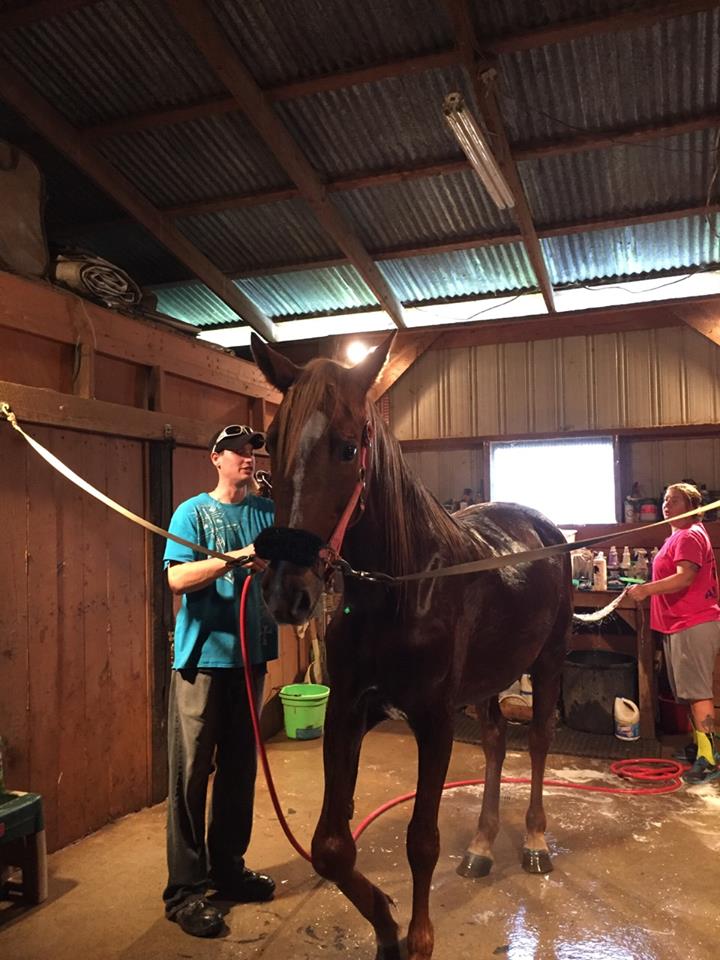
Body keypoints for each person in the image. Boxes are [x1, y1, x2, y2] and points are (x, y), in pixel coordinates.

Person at [162, 424, 278, 937]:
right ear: (215, 458)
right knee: (189, 778)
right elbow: (176, 579)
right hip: (202, 663)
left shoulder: (268, 513)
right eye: (236, 451)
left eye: (251, 451)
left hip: (250, 662)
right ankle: (185, 891)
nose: (247, 458)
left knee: (238, 773)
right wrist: (234, 558)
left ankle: (227, 869)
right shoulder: (192, 512)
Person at [627, 482, 720, 784]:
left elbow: (684, 578)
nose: (667, 505)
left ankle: (709, 757)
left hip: (692, 621)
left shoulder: (689, 535)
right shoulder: (679, 535)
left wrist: (645, 590)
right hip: (679, 622)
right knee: (688, 691)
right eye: (665, 500)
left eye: (675, 500)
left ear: (693, 506)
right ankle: (701, 747)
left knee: (697, 692)